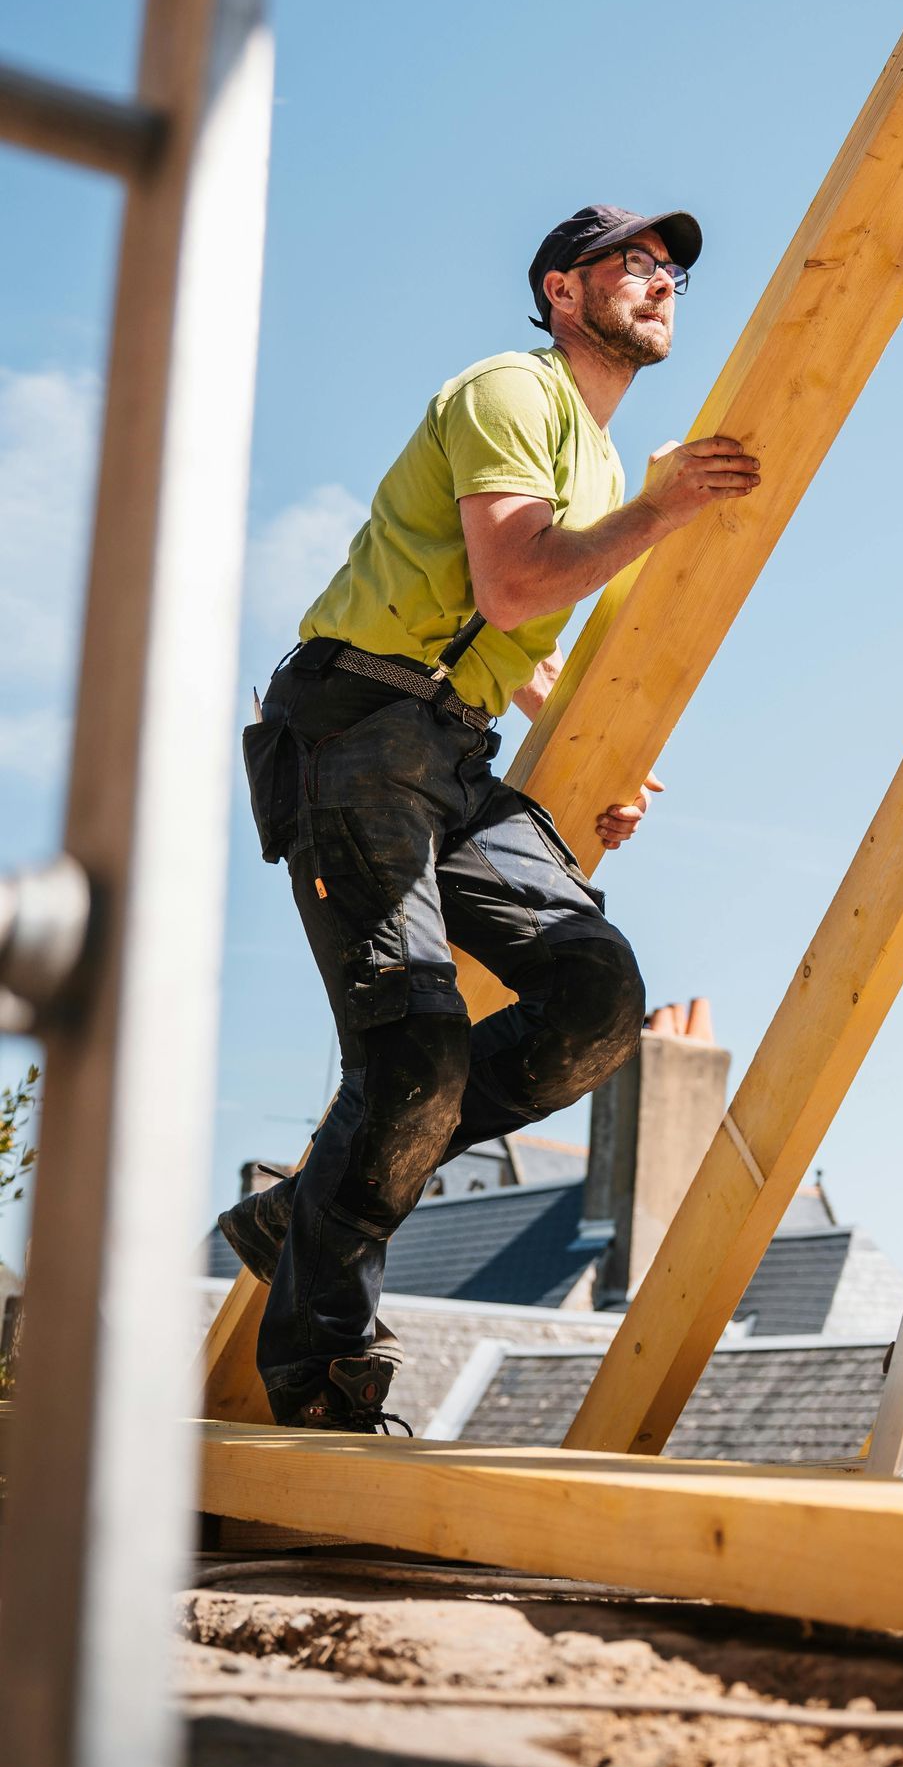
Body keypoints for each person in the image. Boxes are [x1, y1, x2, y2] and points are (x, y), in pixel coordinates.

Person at [222, 202, 760, 1430]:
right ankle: (322, 1382)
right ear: (562, 291)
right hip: (356, 727)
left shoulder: (603, 460)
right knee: (411, 1050)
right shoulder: (510, 394)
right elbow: (514, 579)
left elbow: (516, 647)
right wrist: (670, 510)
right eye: (636, 261)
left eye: (674, 267)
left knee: (594, 1003)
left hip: (454, 753)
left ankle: (297, 1212)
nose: (664, 280)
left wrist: (605, 760)